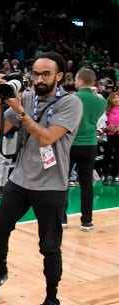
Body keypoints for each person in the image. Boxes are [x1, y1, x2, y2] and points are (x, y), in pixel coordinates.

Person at [0, 52, 83, 305]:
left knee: (49, 247)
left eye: (45, 74)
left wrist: (20, 112)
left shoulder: (70, 103)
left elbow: (47, 138)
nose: (39, 79)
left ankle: (52, 300)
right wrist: (0, 100)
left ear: (59, 76)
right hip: (19, 180)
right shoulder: (26, 97)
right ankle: (1, 269)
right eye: (36, 74)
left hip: (52, 186)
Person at [64, 68, 106, 230]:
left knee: (63, 182)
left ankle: (62, 219)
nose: (74, 81)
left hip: (71, 144)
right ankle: (86, 221)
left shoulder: (72, 99)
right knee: (86, 184)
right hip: (90, 145)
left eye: (76, 79)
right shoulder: (101, 101)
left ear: (80, 81)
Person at [101, 92, 119, 188]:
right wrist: (107, 128)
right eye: (115, 98)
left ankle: (114, 177)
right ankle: (105, 176)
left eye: (118, 98)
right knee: (107, 155)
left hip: (118, 135)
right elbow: (101, 124)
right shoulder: (107, 111)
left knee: (117, 156)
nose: (116, 100)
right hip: (109, 135)